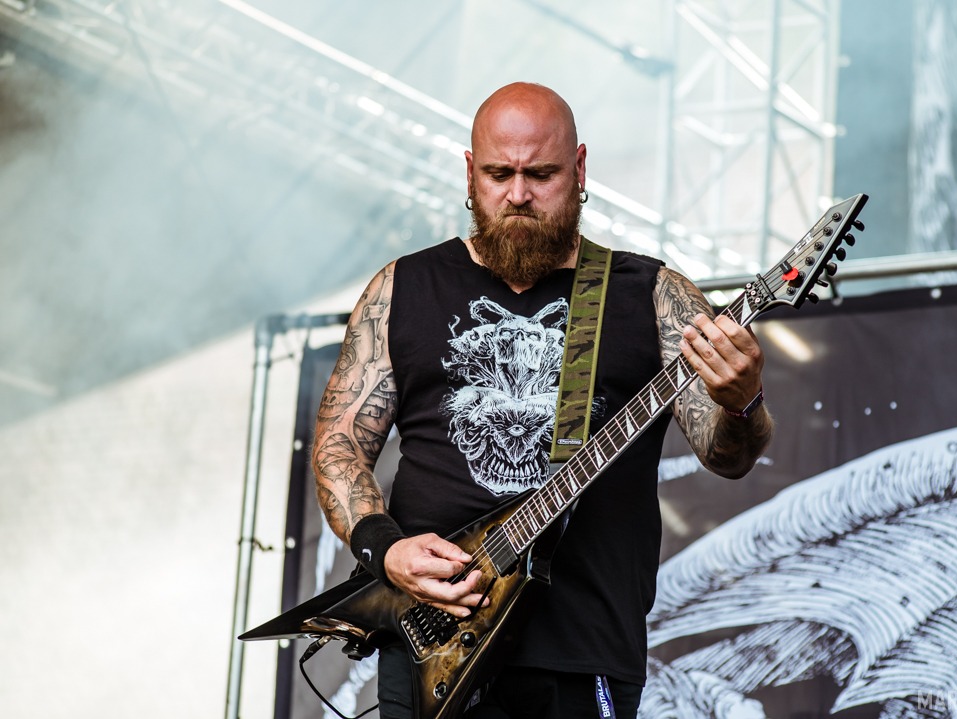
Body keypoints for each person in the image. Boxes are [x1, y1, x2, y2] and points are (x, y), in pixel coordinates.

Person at [311, 81, 773, 719]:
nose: (519, 195)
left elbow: (728, 456)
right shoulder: (403, 288)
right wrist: (386, 549)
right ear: (470, 173)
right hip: (429, 647)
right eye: (499, 174)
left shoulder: (652, 294)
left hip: (584, 651)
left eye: (541, 174)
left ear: (579, 169)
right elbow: (338, 444)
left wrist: (742, 403)